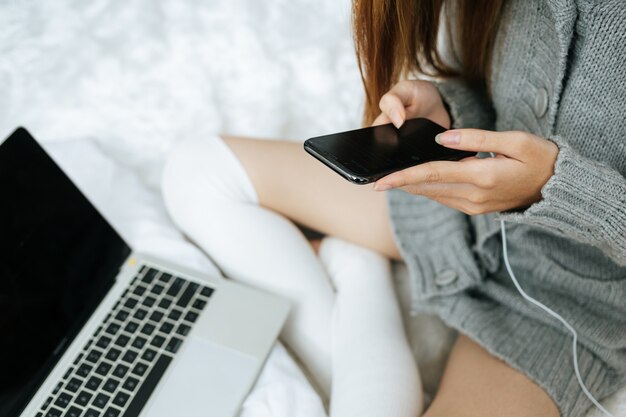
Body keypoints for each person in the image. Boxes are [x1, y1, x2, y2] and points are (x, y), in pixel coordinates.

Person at [162, 0, 626, 416]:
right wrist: (448, 113)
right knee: (197, 172)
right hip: (459, 201)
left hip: (568, 305)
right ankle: (357, 267)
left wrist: (554, 188)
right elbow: (510, 101)